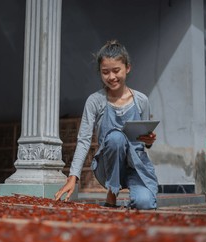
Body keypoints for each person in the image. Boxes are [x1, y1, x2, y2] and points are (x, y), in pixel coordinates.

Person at [54, 40, 158, 209]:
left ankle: (135, 195)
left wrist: (149, 140)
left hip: (135, 165)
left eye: (116, 70)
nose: (111, 77)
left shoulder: (141, 101)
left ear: (127, 68)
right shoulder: (95, 101)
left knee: (144, 204)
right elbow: (84, 140)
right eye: (105, 72)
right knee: (116, 138)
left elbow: (145, 143)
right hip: (108, 165)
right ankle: (112, 194)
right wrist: (73, 177)